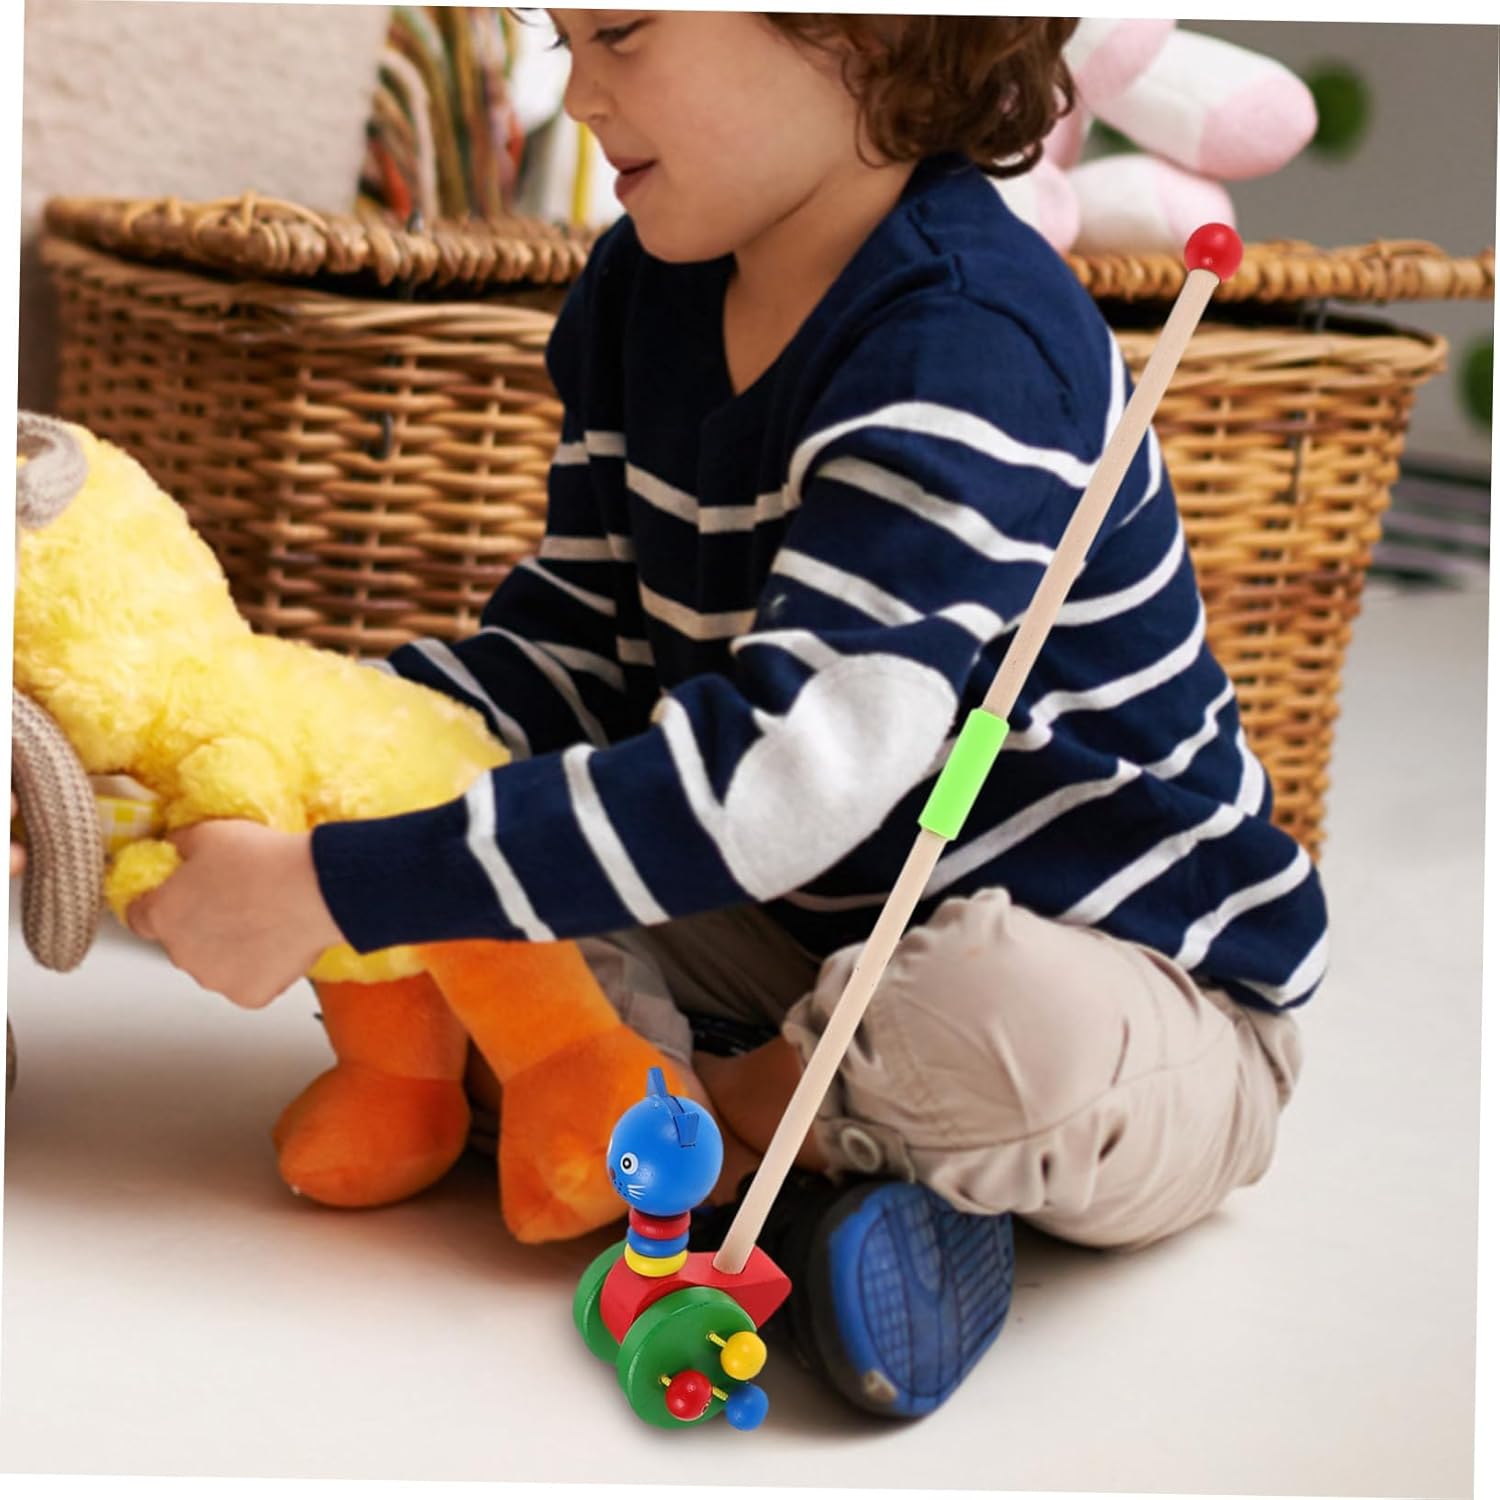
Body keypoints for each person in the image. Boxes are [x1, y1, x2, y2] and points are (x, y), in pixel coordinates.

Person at [123, 12, 1325, 1420]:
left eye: (624, 34)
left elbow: (779, 777)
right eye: (564, 38)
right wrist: (286, 754)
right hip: (790, 925)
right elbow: (569, 657)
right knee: (494, 921)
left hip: (1128, 985)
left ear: (862, 32)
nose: (579, 94)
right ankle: (782, 1175)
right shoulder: (645, 288)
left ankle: (713, 1147)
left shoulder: (971, 347)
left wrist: (338, 888)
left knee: (1002, 1022)